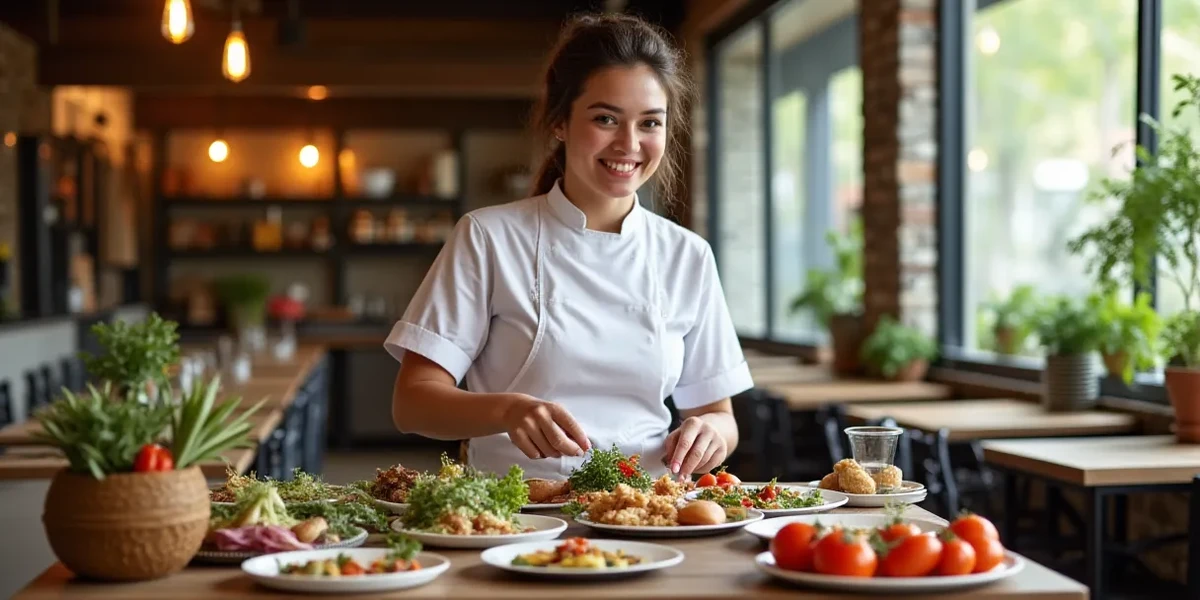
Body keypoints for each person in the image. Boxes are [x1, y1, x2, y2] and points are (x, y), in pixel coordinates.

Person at [385, 13, 752, 481]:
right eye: (605, 118)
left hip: (649, 510)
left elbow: (720, 415)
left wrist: (712, 433)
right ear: (560, 121)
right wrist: (505, 412)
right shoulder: (488, 237)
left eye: (650, 123)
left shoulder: (688, 255)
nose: (629, 144)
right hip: (516, 516)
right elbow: (412, 402)